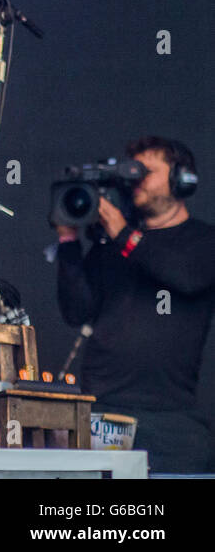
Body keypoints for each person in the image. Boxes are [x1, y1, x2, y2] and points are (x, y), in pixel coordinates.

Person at [56, 137, 214, 472]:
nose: (136, 180)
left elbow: (185, 277)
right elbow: (76, 311)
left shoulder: (203, 242)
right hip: (103, 409)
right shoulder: (112, 244)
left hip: (172, 418)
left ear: (181, 179)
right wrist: (68, 241)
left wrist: (123, 233)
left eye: (147, 171)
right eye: (132, 172)